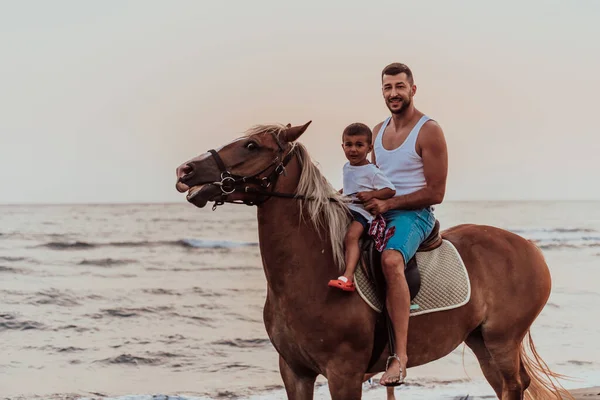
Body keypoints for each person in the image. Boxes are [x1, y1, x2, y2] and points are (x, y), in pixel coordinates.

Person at [364, 63, 448, 387]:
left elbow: (436, 192)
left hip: (415, 214)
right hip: (381, 210)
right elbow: (372, 177)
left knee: (390, 259)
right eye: (388, 87)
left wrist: (389, 204)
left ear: (413, 90)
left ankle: (399, 357)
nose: (393, 93)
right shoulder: (376, 131)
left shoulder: (428, 130)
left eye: (400, 87)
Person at [328, 123, 396, 292]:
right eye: (348, 144)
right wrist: (338, 195)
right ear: (342, 146)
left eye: (359, 145)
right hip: (348, 208)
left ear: (369, 148)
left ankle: (348, 276)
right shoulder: (347, 167)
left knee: (351, 237)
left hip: (363, 213)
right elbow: (350, 188)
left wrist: (372, 195)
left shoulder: (371, 171)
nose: (353, 150)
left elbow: (390, 190)